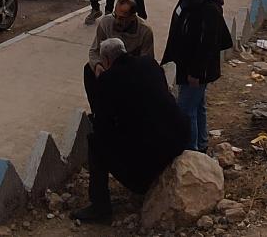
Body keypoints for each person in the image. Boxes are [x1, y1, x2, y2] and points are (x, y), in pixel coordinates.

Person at [71, 37, 187, 224]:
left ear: (106, 61)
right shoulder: (149, 64)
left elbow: (103, 126)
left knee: (95, 143)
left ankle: (100, 207)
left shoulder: (108, 81)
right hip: (179, 140)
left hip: (150, 160)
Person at [161, 0, 231, 152]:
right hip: (185, 63)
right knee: (198, 105)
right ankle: (201, 145)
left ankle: (191, 151)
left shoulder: (209, 8)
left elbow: (207, 45)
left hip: (196, 70)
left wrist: (196, 72)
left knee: (185, 111)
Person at [86, 0, 154, 77]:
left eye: (122, 18)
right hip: (110, 69)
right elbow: (94, 51)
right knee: (88, 70)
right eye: (115, 15)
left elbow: (146, 63)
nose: (117, 21)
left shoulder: (145, 32)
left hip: (132, 72)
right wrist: (97, 65)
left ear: (132, 17)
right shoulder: (106, 23)